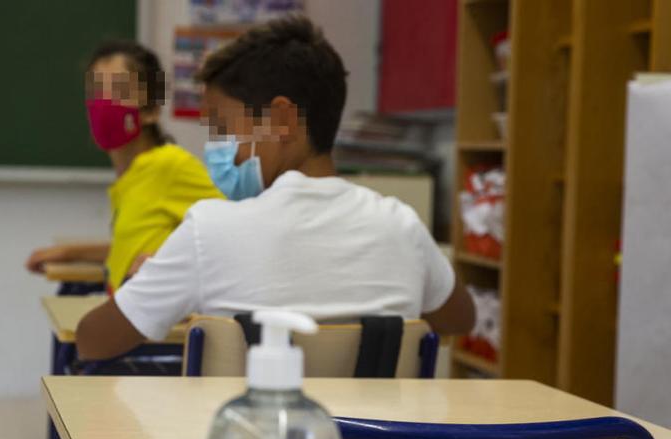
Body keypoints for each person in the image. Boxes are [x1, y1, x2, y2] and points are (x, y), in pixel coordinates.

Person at [75, 16, 475, 359]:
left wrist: (154, 284)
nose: (224, 153)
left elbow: (92, 341)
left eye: (226, 129)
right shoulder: (401, 224)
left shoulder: (209, 231)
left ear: (283, 120)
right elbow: (460, 318)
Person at [25, 40, 224, 292]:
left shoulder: (168, 166)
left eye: (118, 91)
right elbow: (129, 250)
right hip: (122, 304)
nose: (103, 104)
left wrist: (174, 266)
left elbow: (234, 230)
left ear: (150, 110)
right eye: (96, 91)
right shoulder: (133, 174)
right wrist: (68, 252)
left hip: (149, 324)